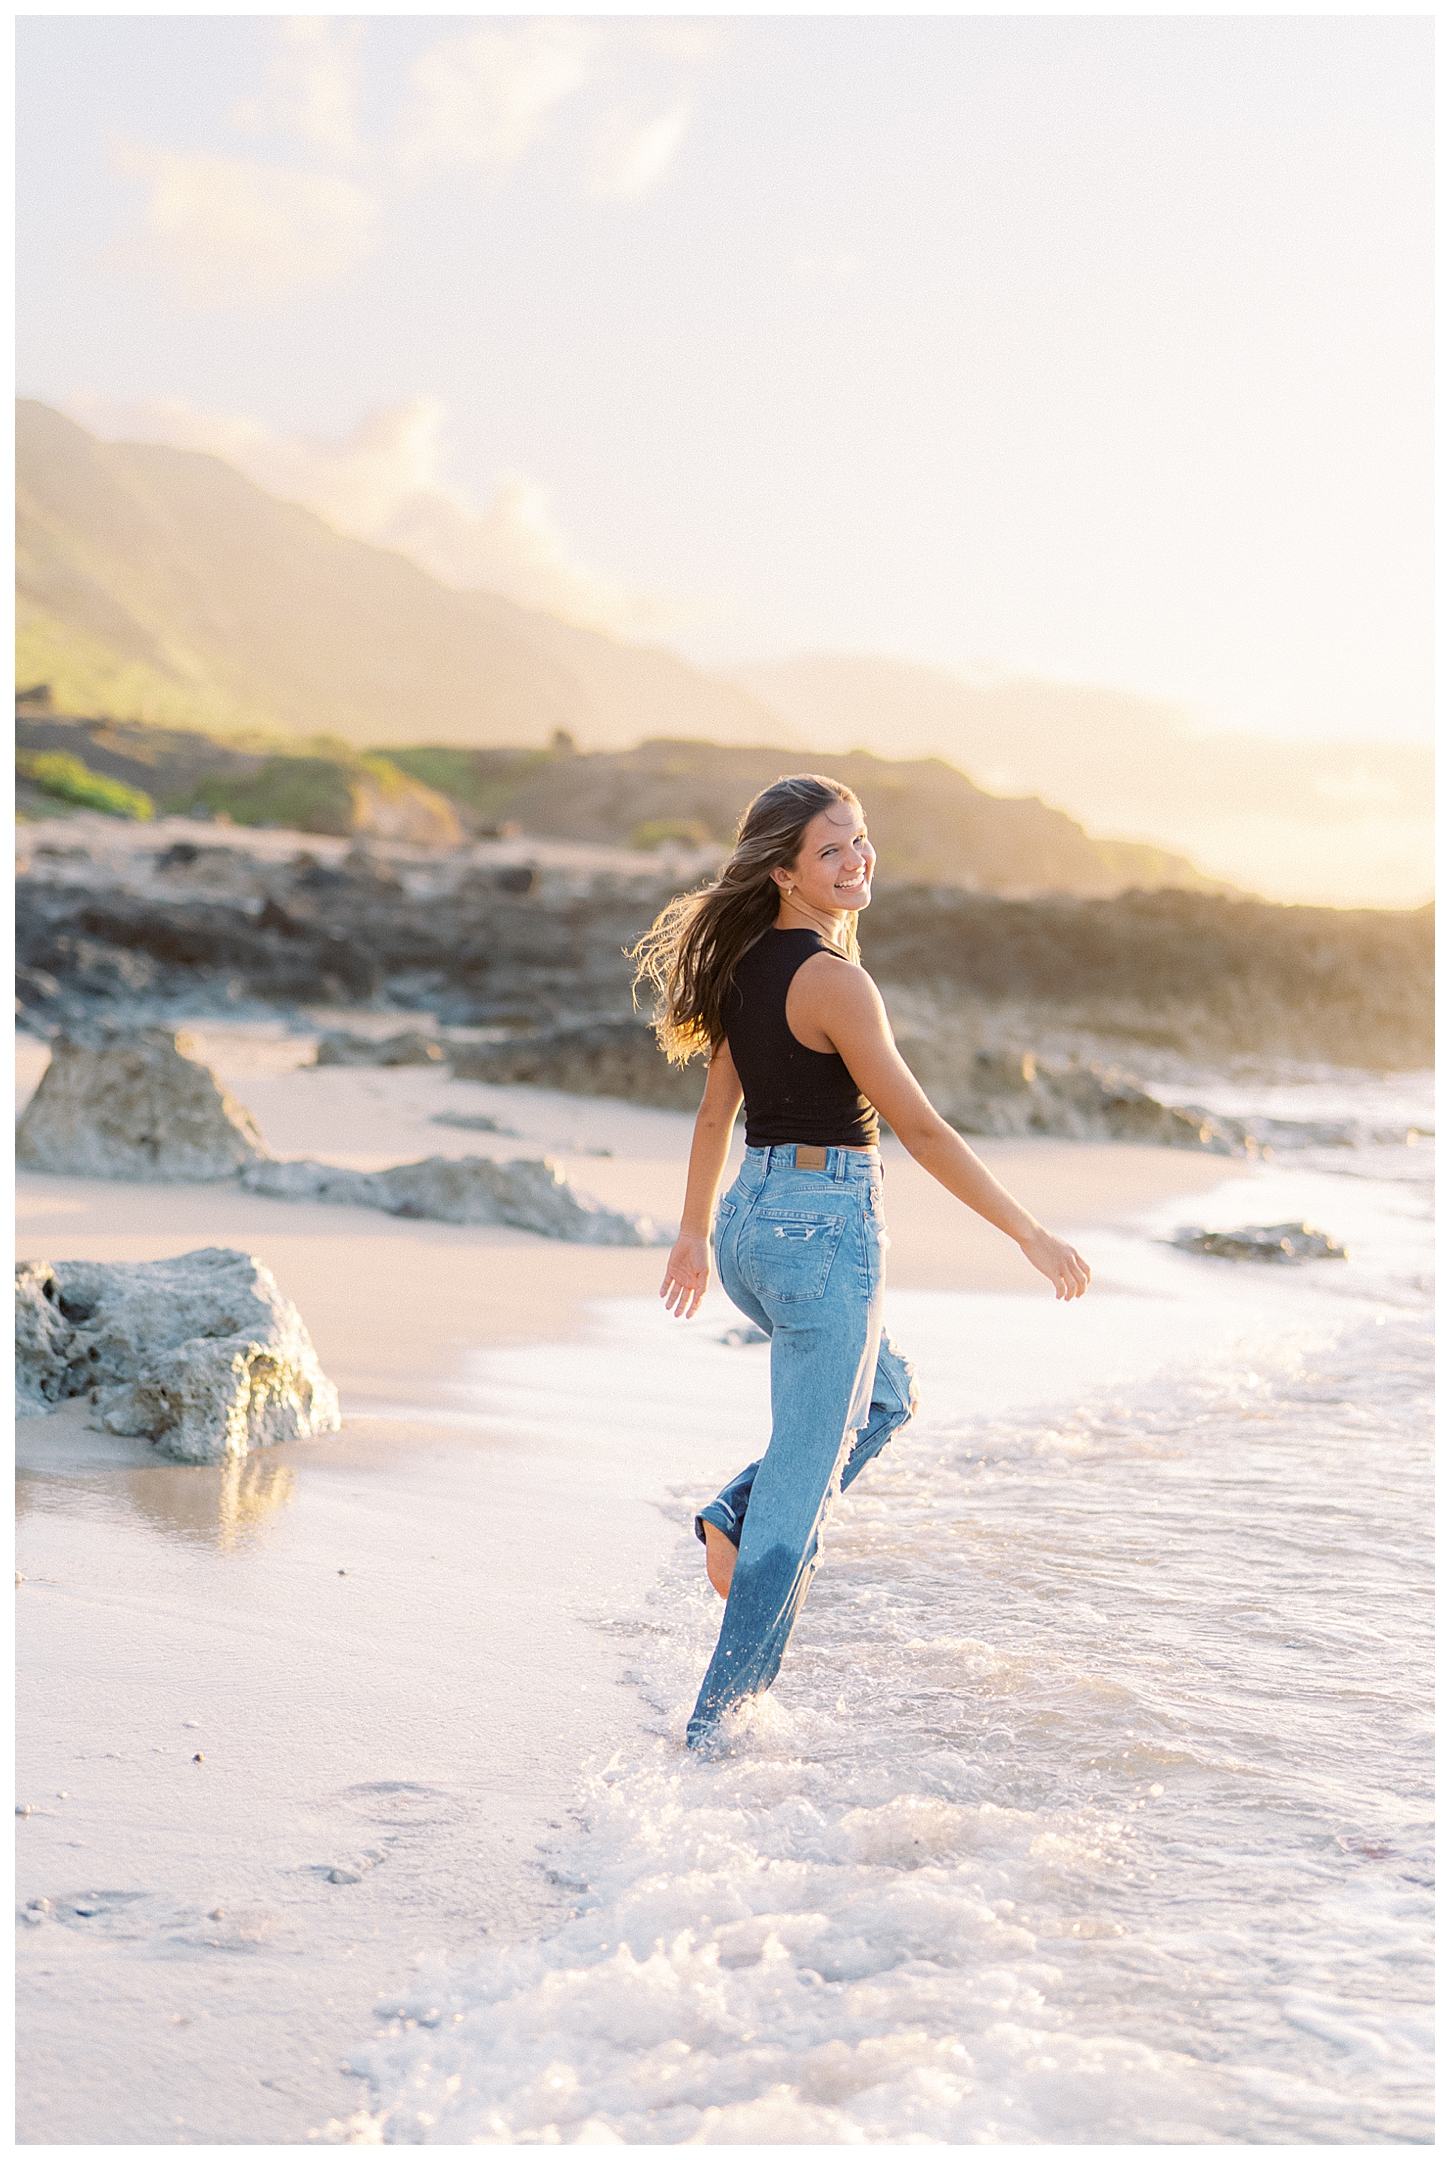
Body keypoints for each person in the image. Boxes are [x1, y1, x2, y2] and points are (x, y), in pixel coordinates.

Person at [632, 774, 1090, 1752]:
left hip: (751, 1226)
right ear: (785, 873)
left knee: (883, 1400)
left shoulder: (747, 962)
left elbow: (718, 1112)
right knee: (797, 1506)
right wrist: (1028, 1233)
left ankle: (732, 1511)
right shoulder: (837, 984)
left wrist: (691, 1234)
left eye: (861, 842)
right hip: (822, 1230)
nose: (856, 862)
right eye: (831, 851)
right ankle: (721, 1730)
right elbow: (918, 1128)